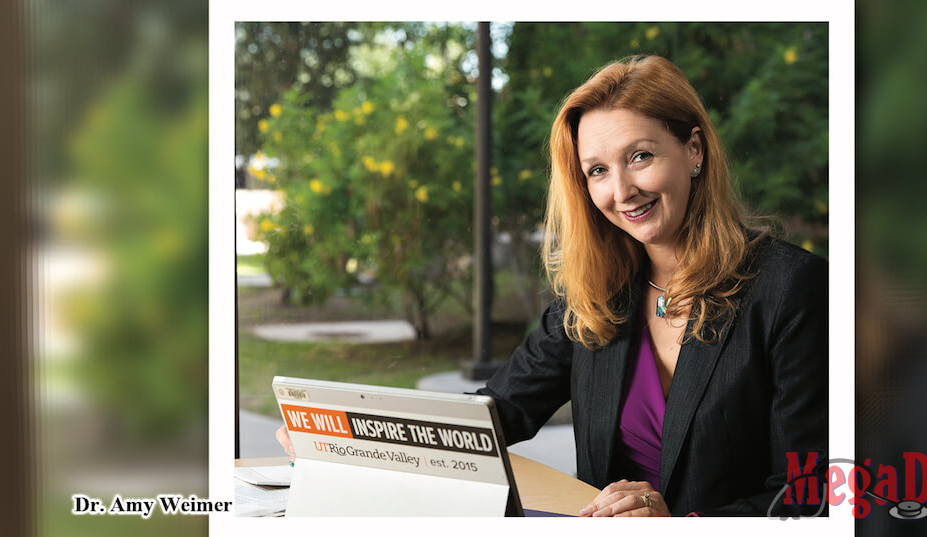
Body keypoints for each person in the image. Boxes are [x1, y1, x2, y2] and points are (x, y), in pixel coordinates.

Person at [278, 55, 827, 517]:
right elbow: (492, 417)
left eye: (640, 156)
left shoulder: (790, 289)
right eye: (597, 171)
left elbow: (810, 494)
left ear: (694, 151)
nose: (622, 190)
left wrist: (678, 523)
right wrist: (345, 439)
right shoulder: (599, 293)